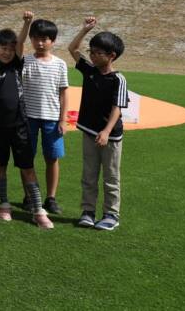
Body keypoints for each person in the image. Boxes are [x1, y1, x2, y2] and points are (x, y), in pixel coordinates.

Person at [0, 29, 53, 229]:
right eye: (3, 48)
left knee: (28, 168)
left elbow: (20, 43)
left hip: (21, 127)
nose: (7, 52)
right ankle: (4, 204)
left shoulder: (17, 67)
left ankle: (38, 210)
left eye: (11, 49)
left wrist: (26, 23)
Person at [67, 17, 129, 231]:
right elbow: (72, 48)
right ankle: (88, 211)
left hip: (109, 136)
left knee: (111, 177)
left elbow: (117, 108)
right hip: (89, 131)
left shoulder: (118, 80)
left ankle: (111, 214)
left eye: (97, 53)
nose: (92, 55)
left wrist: (106, 131)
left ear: (111, 56)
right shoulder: (90, 70)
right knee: (89, 175)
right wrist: (85, 30)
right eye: (91, 51)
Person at [18, 11, 70, 215]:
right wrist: (26, 23)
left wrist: (63, 120)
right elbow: (17, 45)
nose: (40, 43)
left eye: (45, 39)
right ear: (31, 39)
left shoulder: (60, 65)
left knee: (52, 158)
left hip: (51, 119)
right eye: (36, 39)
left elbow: (64, 93)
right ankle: (29, 196)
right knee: (26, 158)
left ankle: (50, 197)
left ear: (53, 41)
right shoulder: (25, 60)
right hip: (27, 118)